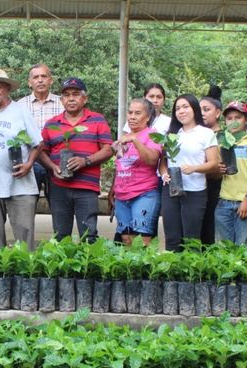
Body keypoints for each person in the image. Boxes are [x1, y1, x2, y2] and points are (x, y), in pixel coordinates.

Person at [0, 69, 43, 250]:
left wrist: (28, 165)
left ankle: (26, 267)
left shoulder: (20, 111)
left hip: (20, 185)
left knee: (24, 238)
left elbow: (38, 143)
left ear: (7, 89)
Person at [39, 77, 113, 242]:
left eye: (76, 94)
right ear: (61, 100)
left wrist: (85, 161)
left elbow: (108, 150)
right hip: (58, 186)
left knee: (89, 235)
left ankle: (89, 259)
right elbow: (41, 151)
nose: (71, 98)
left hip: (86, 187)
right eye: (66, 95)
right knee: (60, 235)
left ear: (85, 98)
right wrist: (52, 167)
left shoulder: (97, 119)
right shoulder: (52, 123)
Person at [159, 94, 219, 251]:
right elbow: (163, 161)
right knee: (172, 238)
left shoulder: (206, 133)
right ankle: (172, 266)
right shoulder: (171, 134)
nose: (181, 111)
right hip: (171, 190)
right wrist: (164, 174)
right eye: (177, 108)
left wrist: (194, 168)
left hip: (195, 191)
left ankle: (192, 267)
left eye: (185, 107)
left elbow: (214, 163)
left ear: (195, 109)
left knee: (191, 239)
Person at [111, 99, 162, 246]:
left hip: (144, 193)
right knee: (126, 238)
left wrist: (135, 140)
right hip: (121, 195)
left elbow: (152, 160)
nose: (132, 116)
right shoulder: (124, 137)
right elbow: (120, 167)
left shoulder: (153, 135)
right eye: (130, 112)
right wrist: (112, 191)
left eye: (137, 113)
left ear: (148, 116)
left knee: (142, 239)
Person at [214, 101, 247, 248]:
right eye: (229, 118)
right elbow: (217, 173)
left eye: (238, 117)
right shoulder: (222, 142)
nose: (233, 121)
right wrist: (218, 170)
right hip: (224, 200)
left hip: (246, 201)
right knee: (223, 248)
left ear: (246, 120)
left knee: (244, 248)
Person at [18, 64, 64, 195]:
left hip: (56, 160)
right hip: (30, 162)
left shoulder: (62, 103)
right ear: (29, 82)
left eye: (44, 76)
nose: (40, 80)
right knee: (28, 203)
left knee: (58, 203)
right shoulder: (20, 106)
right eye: (35, 77)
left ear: (51, 80)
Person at [200, 87, 224, 245]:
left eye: (206, 109)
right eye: (199, 110)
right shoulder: (193, 135)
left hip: (217, 188)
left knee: (211, 230)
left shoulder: (225, 137)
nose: (202, 113)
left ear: (218, 112)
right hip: (196, 186)